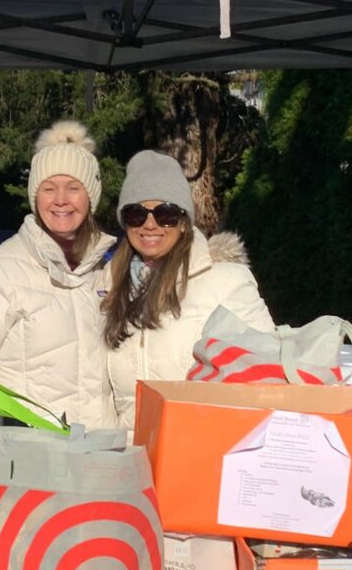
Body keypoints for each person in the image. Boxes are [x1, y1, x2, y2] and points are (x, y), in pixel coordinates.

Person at [0, 119, 118, 428]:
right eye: (49, 188)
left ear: (90, 197)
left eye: (74, 188)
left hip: (97, 456)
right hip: (28, 457)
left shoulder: (105, 274)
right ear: (35, 197)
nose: (61, 200)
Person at [101, 150, 274, 428]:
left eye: (165, 213)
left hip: (198, 454)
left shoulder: (226, 282)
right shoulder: (109, 286)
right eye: (136, 213)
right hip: (128, 459)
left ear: (183, 222)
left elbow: (266, 381)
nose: (150, 224)